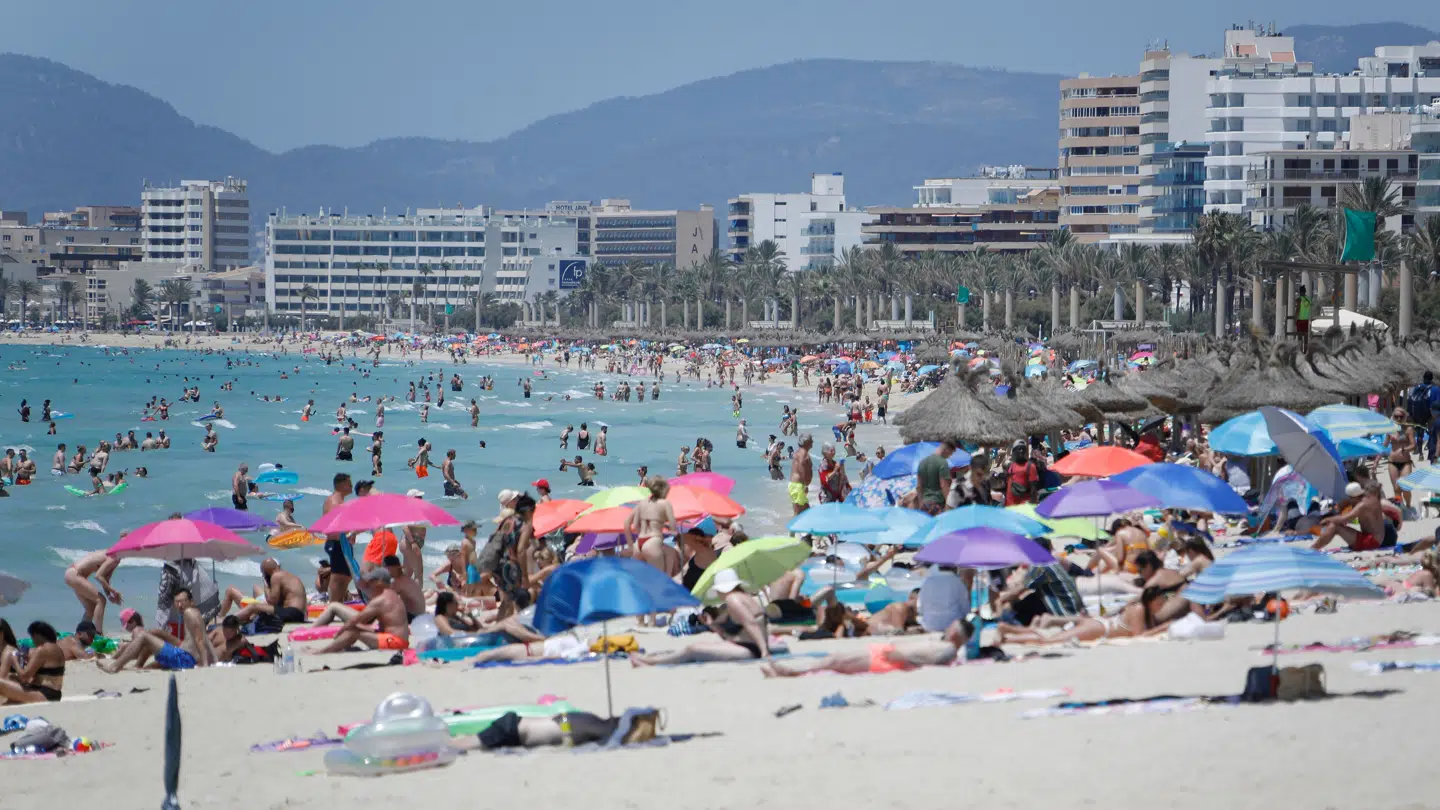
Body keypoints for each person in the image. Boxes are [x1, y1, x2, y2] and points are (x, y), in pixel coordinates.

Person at [631, 570, 773, 665]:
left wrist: (764, 651)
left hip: (750, 651)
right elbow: (737, 633)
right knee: (699, 648)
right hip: (747, 646)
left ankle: (651, 662)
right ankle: (651, 660)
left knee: (693, 649)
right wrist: (712, 625)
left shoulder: (732, 600)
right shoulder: (744, 598)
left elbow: (751, 623)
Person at [764, 622, 971, 677]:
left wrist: (900, 656)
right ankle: (795, 670)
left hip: (889, 660)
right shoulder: (945, 644)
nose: (948, 627)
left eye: (952, 626)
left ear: (956, 633)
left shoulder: (948, 649)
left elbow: (929, 663)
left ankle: (792, 672)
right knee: (835, 658)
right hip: (887, 655)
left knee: (836, 662)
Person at [997, 586, 1174, 645]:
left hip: (1098, 626)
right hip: (1099, 628)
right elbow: (1138, 636)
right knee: (1049, 642)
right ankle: (1008, 633)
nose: (1161, 606)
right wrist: (1163, 628)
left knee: (1052, 639)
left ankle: (1009, 633)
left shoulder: (1144, 611)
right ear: (1151, 600)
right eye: (1160, 602)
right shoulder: (1139, 610)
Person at [104, 590, 218, 671]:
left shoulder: (189, 613)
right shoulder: (196, 613)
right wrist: (215, 661)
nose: (179, 605)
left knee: (144, 636)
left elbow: (199, 640)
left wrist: (205, 665)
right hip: (184, 657)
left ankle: (115, 666)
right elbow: (205, 639)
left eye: (183, 601)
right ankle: (136, 666)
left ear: (191, 601)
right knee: (152, 638)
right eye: (177, 602)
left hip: (184, 658)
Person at [315, 569, 411, 653]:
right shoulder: (392, 595)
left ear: (379, 582)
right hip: (399, 640)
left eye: (371, 581)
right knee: (356, 628)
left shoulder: (381, 600)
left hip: (394, 643)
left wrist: (340, 633)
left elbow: (355, 620)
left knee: (353, 631)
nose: (368, 584)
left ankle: (322, 652)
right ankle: (344, 646)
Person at [218, 559, 308, 626]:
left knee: (253, 607)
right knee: (257, 612)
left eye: (263, 573)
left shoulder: (276, 576)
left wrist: (266, 584)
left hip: (292, 613)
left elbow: (272, 602)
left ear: (266, 572)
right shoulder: (287, 575)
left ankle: (226, 622)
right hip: (299, 614)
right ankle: (230, 620)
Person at [0, 622, 66, 703]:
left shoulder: (41, 650)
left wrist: (14, 661)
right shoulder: (56, 649)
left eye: (32, 637)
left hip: (43, 694)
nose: (33, 640)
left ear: (37, 635)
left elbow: (24, 677)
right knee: (12, 678)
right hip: (54, 694)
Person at [626, 476, 678, 574]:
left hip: (638, 543)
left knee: (639, 580)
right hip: (653, 541)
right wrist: (665, 525)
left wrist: (630, 546)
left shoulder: (642, 503)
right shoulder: (665, 503)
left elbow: (628, 524)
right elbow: (673, 527)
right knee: (658, 580)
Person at [63, 550, 122, 635]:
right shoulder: (113, 557)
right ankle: (98, 633)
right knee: (101, 600)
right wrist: (113, 591)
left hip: (72, 573)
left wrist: (109, 595)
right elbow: (98, 576)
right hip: (75, 574)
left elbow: (105, 578)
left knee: (90, 607)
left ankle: (81, 633)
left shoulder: (115, 557)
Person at [322, 473, 356, 604]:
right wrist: (347, 535)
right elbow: (332, 526)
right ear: (341, 484)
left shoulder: (340, 501)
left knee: (346, 576)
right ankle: (334, 604)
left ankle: (338, 602)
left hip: (341, 543)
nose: (352, 486)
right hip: (336, 543)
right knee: (338, 577)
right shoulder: (334, 502)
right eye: (349, 483)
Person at [916, 439, 957, 515]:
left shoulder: (922, 462)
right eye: (951, 453)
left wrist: (920, 503)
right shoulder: (942, 462)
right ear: (946, 450)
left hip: (924, 504)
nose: (950, 456)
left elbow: (919, 487)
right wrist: (948, 505)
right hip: (938, 504)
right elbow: (944, 485)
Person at [1004, 441, 1039, 506]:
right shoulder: (1011, 465)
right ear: (1014, 451)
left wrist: (1032, 506)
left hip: (1023, 505)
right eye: (1019, 449)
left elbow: (1033, 489)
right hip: (1010, 505)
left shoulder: (1030, 466)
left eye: (1023, 449)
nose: (1021, 451)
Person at [789, 432, 814, 515]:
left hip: (796, 485)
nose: (812, 442)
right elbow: (801, 466)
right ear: (806, 442)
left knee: (804, 512)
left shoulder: (799, 452)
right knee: (800, 513)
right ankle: (793, 527)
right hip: (798, 485)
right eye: (811, 440)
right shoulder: (803, 453)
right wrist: (805, 485)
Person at [1295, 284, 1312, 350]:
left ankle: (1300, 350)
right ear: (1305, 292)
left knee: (1299, 337)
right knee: (1305, 336)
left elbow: (1298, 309)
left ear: (1300, 292)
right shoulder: (1308, 299)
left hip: (1300, 320)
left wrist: (1295, 318)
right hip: (1306, 320)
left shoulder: (1299, 299)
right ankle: (1306, 350)